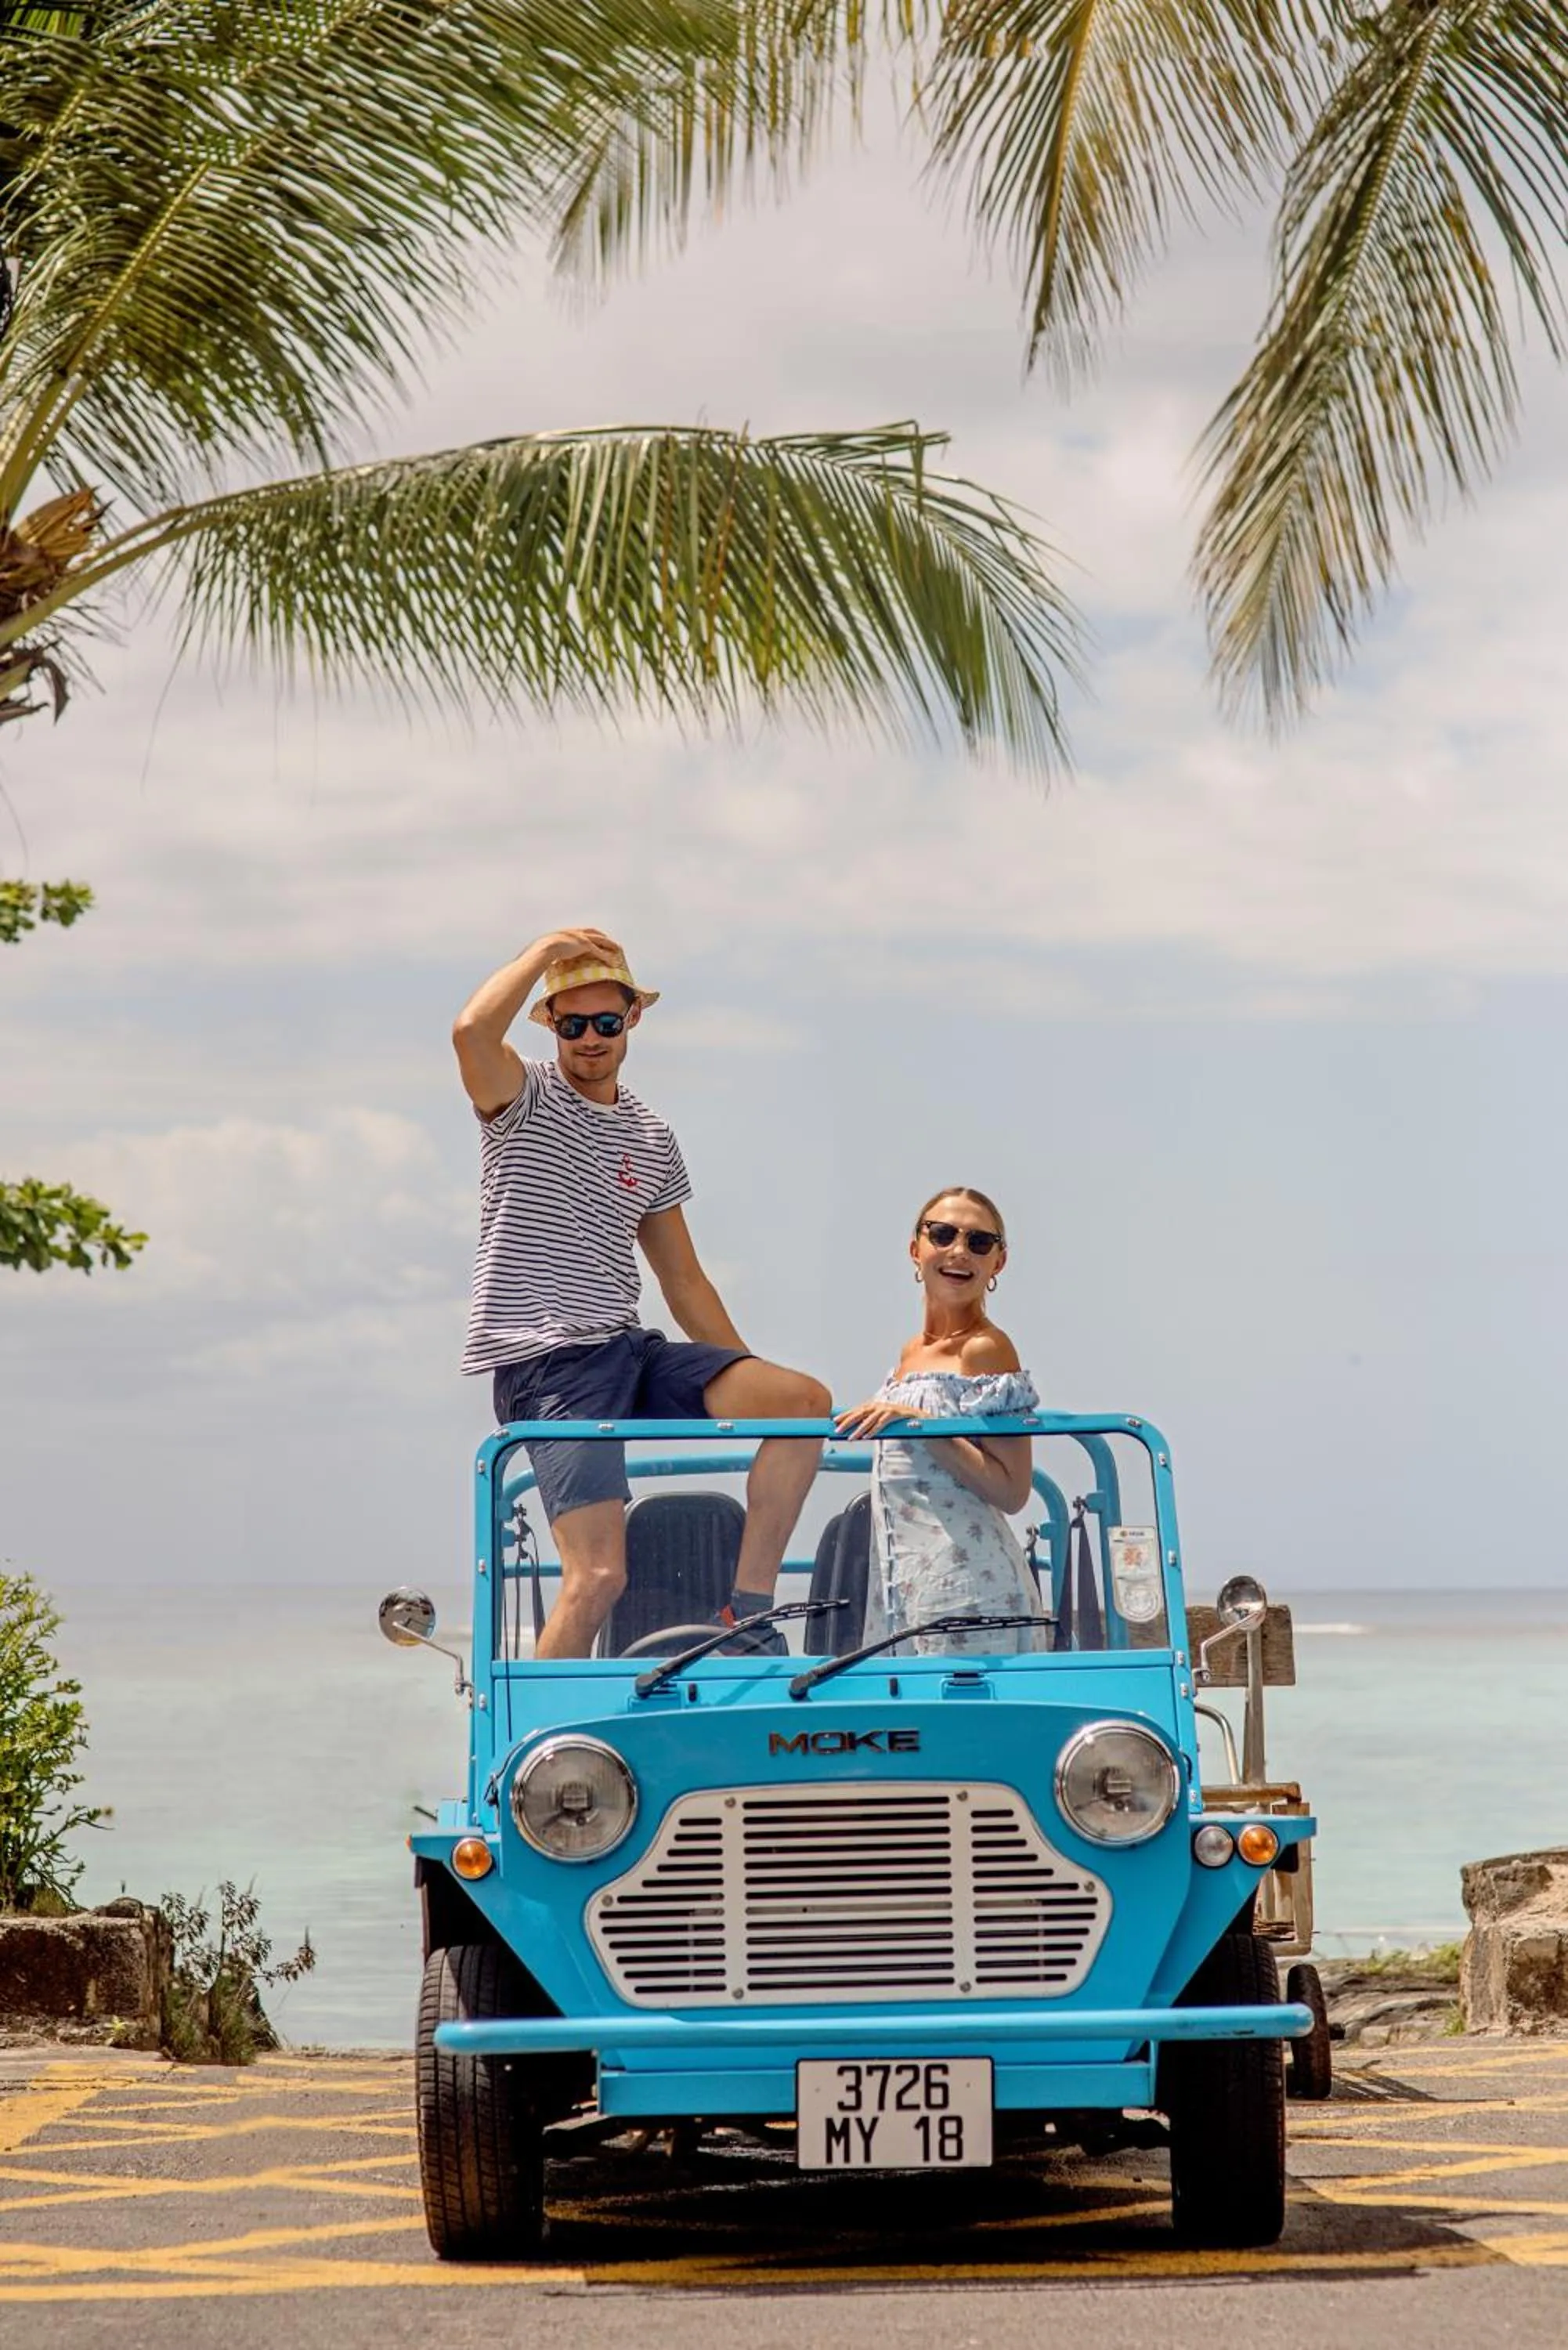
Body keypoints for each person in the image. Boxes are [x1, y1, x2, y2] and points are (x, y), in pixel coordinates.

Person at [453, 925, 829, 1659]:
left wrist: (744, 1381)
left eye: (605, 1021)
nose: (590, 1038)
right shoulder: (521, 1095)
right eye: (572, 1024)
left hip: (631, 1351)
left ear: (632, 1020)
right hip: (551, 1364)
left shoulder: (651, 1134)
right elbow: (470, 1030)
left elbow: (683, 1279)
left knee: (801, 1403)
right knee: (596, 1576)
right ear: (552, 1027)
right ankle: (533, 1741)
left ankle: (745, 1616)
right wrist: (542, 954)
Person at [835, 1187, 1045, 1656]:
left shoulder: (987, 1349)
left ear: (998, 1263)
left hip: (970, 1593)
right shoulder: (909, 1353)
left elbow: (1012, 1491)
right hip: (900, 1590)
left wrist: (923, 1426)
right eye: (943, 1234)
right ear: (916, 1250)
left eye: (979, 1242)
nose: (959, 1252)